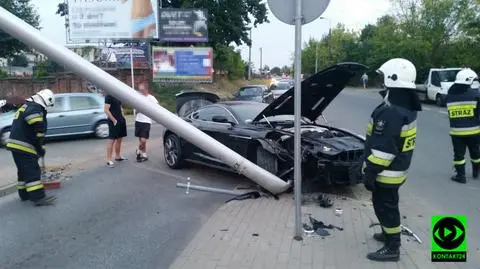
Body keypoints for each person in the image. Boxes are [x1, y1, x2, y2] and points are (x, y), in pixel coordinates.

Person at [361, 58, 422, 261]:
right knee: (389, 205)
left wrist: (370, 172)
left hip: (386, 173)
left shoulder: (391, 111)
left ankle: (393, 247)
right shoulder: (405, 106)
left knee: (385, 207)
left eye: (383, 78)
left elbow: (383, 149)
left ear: (392, 78)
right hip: (397, 170)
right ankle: (389, 234)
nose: (381, 82)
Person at [6, 89, 57, 206]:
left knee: (23, 171)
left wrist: (40, 147)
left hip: (15, 144)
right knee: (33, 171)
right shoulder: (35, 108)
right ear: (45, 101)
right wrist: (40, 148)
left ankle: (24, 195)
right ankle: (38, 198)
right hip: (24, 146)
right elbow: (38, 130)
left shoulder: (27, 105)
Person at [445, 68, 480, 183]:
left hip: (457, 132)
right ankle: (476, 172)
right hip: (474, 131)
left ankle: (461, 176)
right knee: (475, 152)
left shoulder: (450, 95)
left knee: (459, 155)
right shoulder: (475, 94)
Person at [134, 82, 158, 162]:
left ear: (146, 89)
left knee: (143, 139)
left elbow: (157, 108)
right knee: (141, 140)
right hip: (138, 120)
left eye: (142, 89)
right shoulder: (138, 97)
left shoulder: (151, 98)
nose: (140, 91)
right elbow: (135, 110)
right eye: (139, 89)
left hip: (146, 121)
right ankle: (144, 154)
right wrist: (138, 110)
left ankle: (138, 150)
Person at [104, 94, 128, 168]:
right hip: (113, 121)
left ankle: (118, 156)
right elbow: (106, 110)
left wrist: (123, 117)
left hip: (120, 120)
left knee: (119, 139)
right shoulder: (109, 96)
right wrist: (114, 120)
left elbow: (120, 107)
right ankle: (109, 160)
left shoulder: (117, 94)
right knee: (112, 140)